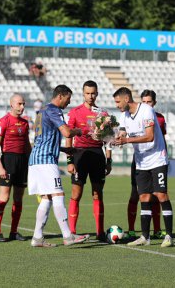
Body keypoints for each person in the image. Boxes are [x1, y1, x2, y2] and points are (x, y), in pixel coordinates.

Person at [28, 85, 89, 247]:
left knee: (47, 198)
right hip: (46, 160)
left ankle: (37, 237)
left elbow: (43, 138)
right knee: (58, 194)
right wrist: (79, 131)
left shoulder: (41, 112)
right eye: (68, 99)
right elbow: (67, 133)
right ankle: (68, 236)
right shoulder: (54, 110)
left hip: (36, 159)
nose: (68, 103)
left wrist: (63, 149)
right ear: (60, 96)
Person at [114, 87, 174, 247]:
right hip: (141, 162)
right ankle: (145, 237)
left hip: (157, 159)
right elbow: (121, 133)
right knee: (144, 198)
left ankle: (168, 236)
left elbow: (150, 136)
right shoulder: (124, 116)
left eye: (118, 102)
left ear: (126, 99)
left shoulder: (146, 110)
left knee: (161, 195)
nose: (117, 105)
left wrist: (126, 141)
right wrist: (110, 138)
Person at [66, 80, 112, 241]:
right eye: (87, 93)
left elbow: (108, 139)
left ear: (97, 93)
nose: (90, 96)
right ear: (83, 93)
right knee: (76, 193)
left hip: (98, 156)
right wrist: (69, 160)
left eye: (93, 93)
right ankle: (71, 231)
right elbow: (69, 136)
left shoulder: (103, 114)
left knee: (97, 194)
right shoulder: (75, 112)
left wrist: (109, 160)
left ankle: (100, 232)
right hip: (80, 155)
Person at [125, 89, 167, 241]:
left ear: (154, 103)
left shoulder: (160, 118)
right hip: (140, 160)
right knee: (135, 194)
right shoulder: (134, 116)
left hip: (156, 160)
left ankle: (156, 229)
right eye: (144, 101)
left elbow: (161, 139)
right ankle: (131, 229)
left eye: (149, 101)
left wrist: (164, 158)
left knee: (157, 195)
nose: (147, 104)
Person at [0, 94, 31, 242]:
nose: (22, 107)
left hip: (22, 161)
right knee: (4, 197)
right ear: (12, 105)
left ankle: (14, 232)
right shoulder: (3, 121)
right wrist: (0, 166)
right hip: (8, 160)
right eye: (19, 104)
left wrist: (32, 161)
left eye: (23, 104)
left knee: (18, 198)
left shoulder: (25, 123)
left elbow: (27, 144)